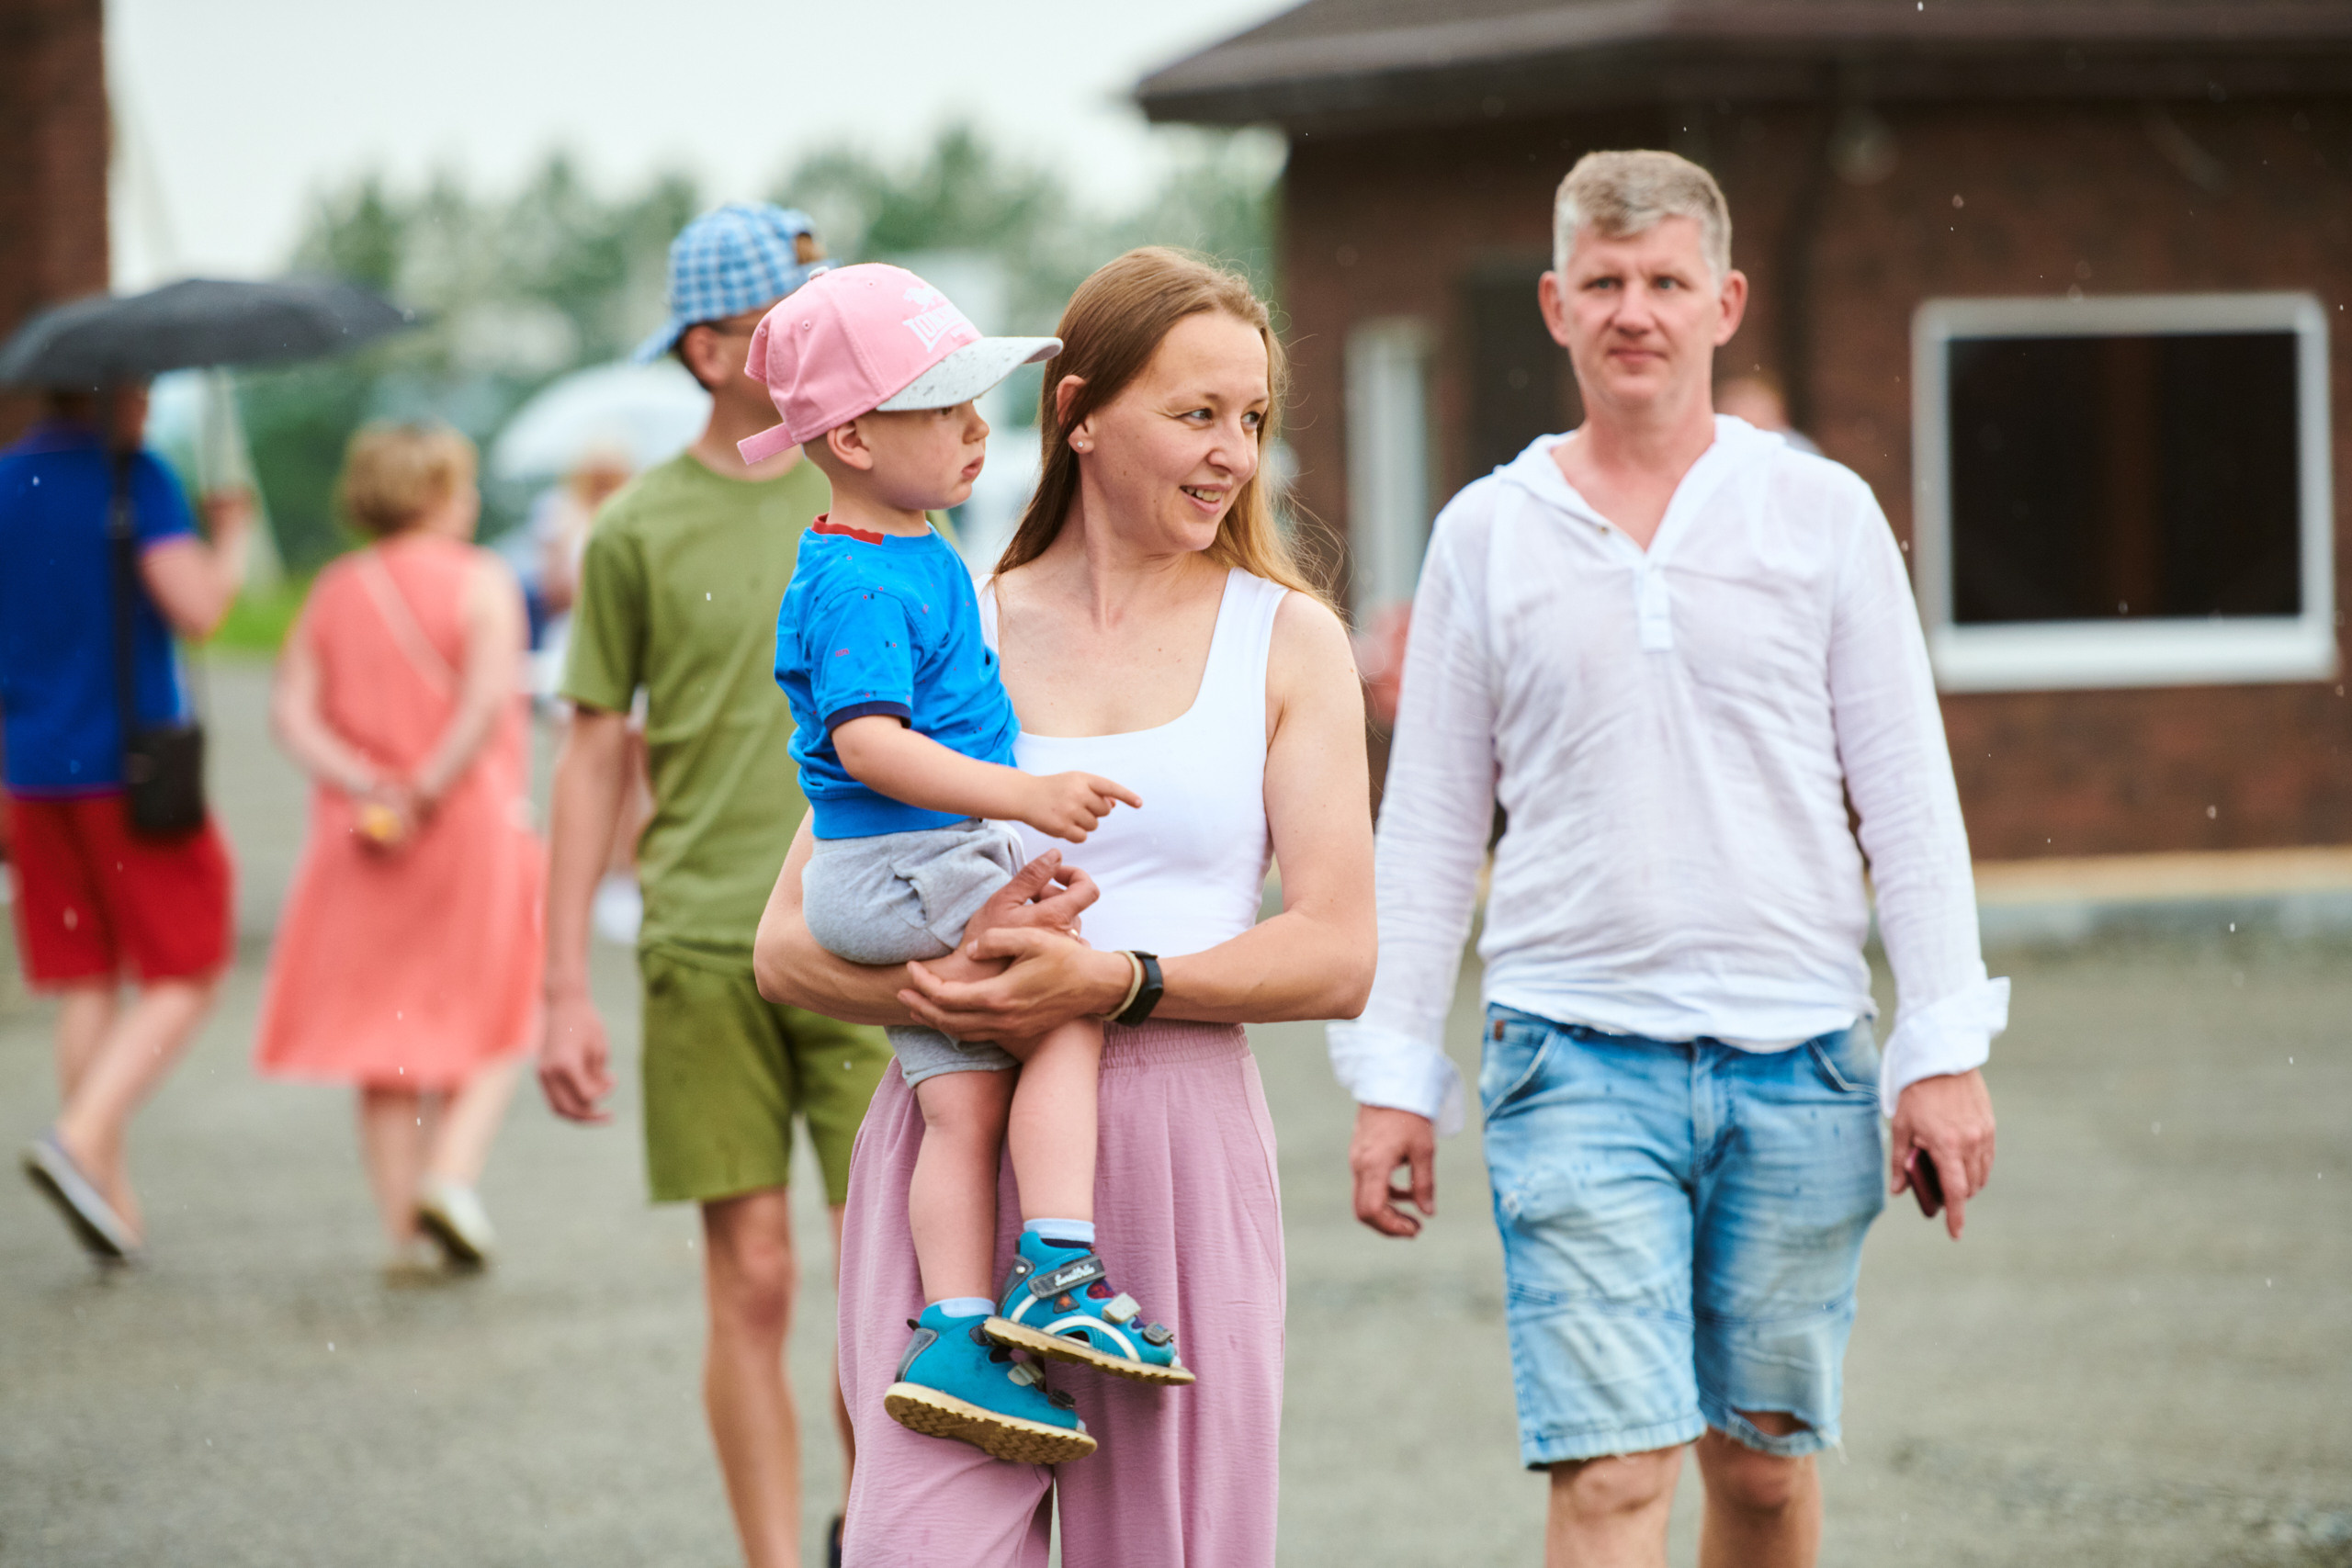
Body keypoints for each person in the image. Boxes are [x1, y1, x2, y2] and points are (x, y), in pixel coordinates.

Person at [1329, 150, 2005, 1568]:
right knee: (1615, 1477)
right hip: (1569, 1057)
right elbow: (1434, 822)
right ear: (1555, 306)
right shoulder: (1486, 534)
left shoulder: (1819, 516)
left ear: (1726, 301)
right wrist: (1394, 1071)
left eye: (1666, 282)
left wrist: (1938, 1045)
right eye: (1605, 282)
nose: (1635, 309)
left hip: (1802, 1056)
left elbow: (1910, 795)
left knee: (1759, 1478)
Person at [752, 246, 1375, 1568]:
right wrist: (946, 995)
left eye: (1251, 418)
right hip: (956, 1137)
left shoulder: (1290, 638)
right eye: (1195, 413)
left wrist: (1114, 981)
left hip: (1177, 1150)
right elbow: (787, 941)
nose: (1232, 453)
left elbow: (1338, 950)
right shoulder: (939, 608)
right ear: (1079, 413)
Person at [753, 263, 1184, 1466]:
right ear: (850, 432)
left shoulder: (906, 545)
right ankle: (1056, 1262)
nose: (973, 430)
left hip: (895, 866)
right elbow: (869, 742)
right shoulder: (858, 575)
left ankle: (951, 1327)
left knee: (961, 1102)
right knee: (1066, 1001)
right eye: (941, 409)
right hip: (901, 859)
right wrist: (1025, 798)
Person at [533, 202, 894, 1568]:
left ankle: (886, 1535)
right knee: (753, 1276)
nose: (819, 341)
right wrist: (563, 983)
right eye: (786, 321)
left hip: (869, 940)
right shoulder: (634, 532)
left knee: (893, 1283)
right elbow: (586, 760)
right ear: (710, 347)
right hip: (699, 946)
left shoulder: (876, 488)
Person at [253, 423, 543, 1272]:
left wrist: (366, 782)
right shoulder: (484, 579)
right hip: (470, 824)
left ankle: (402, 1236)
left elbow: (291, 713)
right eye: (461, 485)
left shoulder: (337, 587)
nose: (473, 500)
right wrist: (425, 784)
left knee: (382, 1038)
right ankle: (450, 1175)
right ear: (434, 492)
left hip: (363, 837)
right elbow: (488, 699)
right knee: (497, 1009)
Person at [3, 382, 251, 1262]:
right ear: (118, 394)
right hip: (129, 768)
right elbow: (201, 606)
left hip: (30, 769)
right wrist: (232, 534)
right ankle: (80, 1136)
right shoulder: (132, 475)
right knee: (189, 965)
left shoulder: (4, 480)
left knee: (86, 973)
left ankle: (105, 1190)